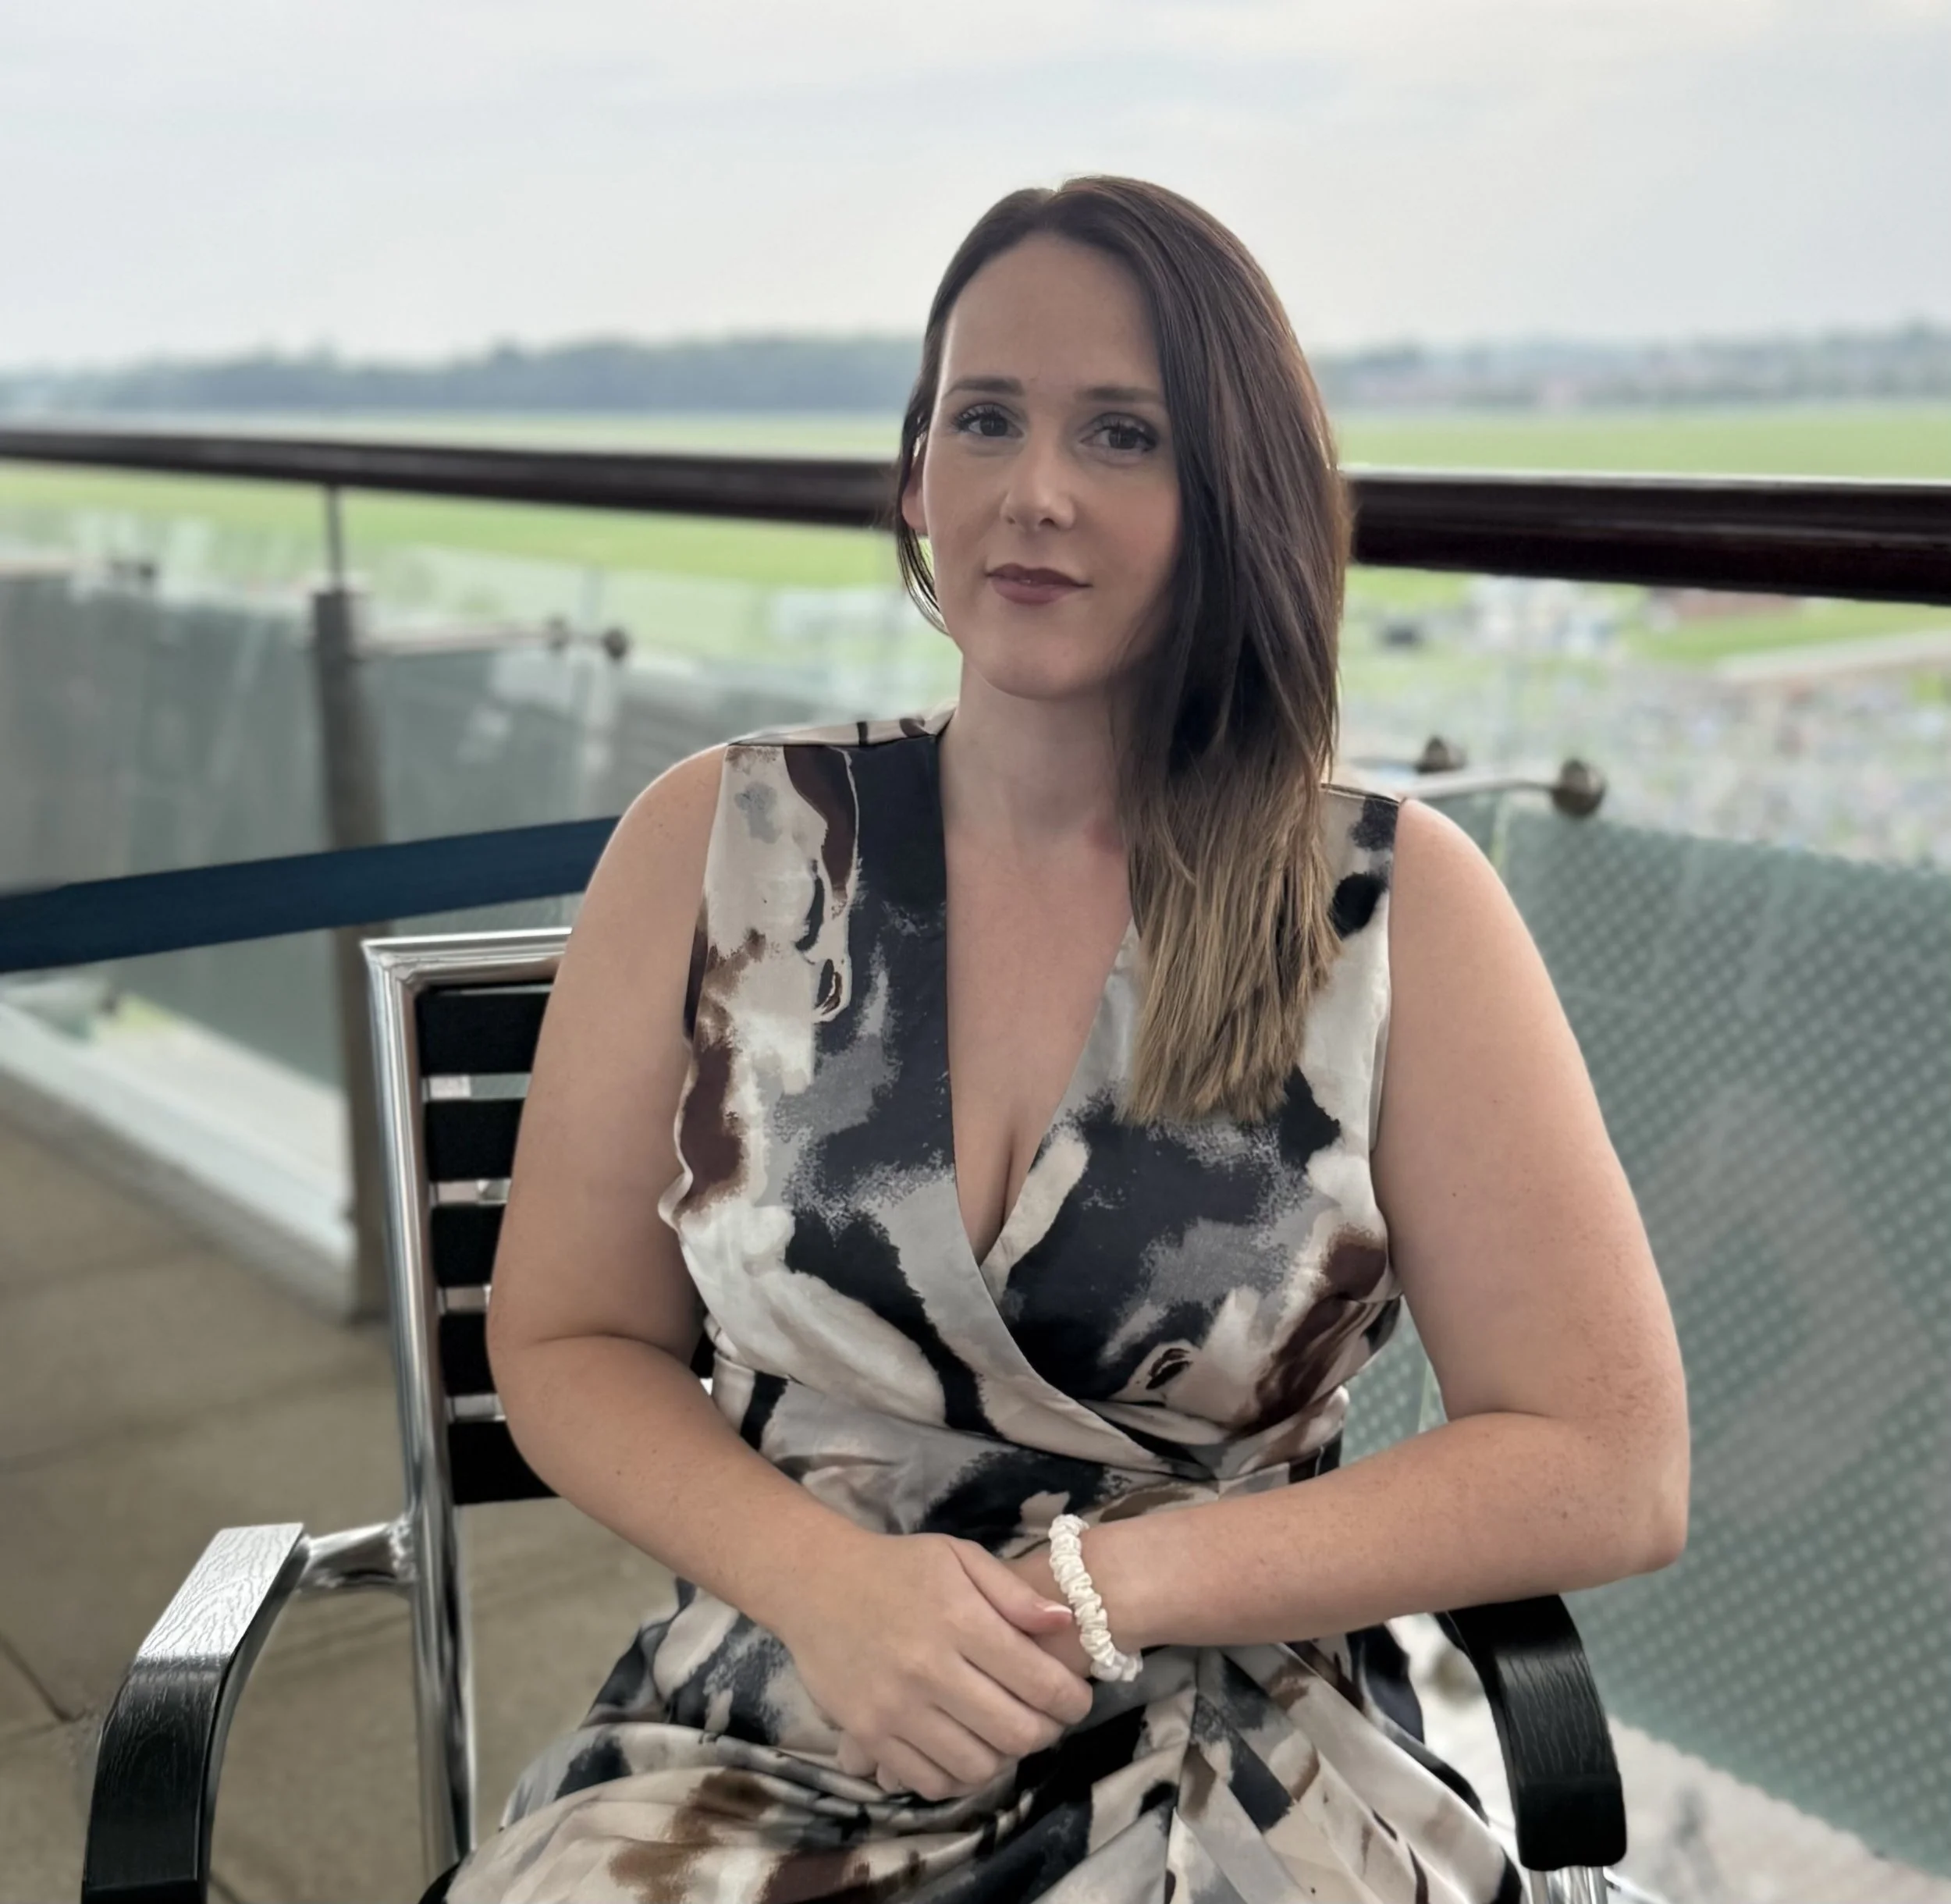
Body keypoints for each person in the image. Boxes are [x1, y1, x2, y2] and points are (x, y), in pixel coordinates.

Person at [435, 175, 1689, 1903]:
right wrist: (827, 1584)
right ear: (914, 473)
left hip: (1224, 1727)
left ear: (1225, 493)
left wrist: (1098, 1592)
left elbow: (1604, 1458)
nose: (1033, 493)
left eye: (1121, 434)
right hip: (773, 1718)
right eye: (984, 419)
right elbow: (569, 1333)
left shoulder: (1391, 911)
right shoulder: (713, 845)